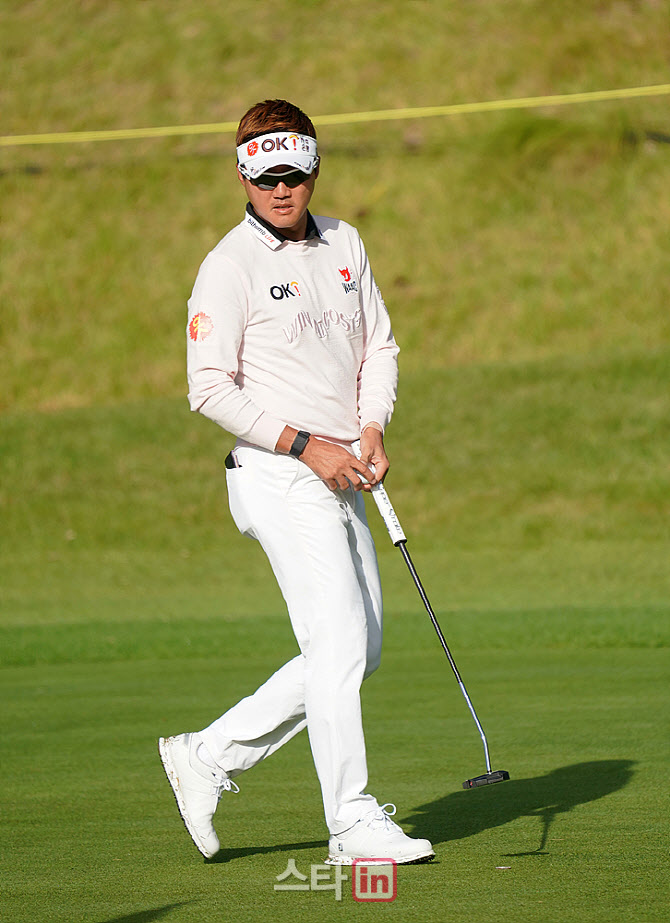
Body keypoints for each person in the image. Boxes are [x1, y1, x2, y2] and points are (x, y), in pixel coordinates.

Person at [159, 99, 434, 866]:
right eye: (266, 177)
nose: (281, 190)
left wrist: (371, 425)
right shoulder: (228, 266)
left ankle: (208, 753)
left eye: (294, 174)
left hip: (343, 468)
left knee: (358, 648)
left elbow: (379, 347)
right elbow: (208, 388)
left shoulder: (346, 242)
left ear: (314, 169)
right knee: (338, 639)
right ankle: (351, 821)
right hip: (277, 472)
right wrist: (306, 445)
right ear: (243, 177)